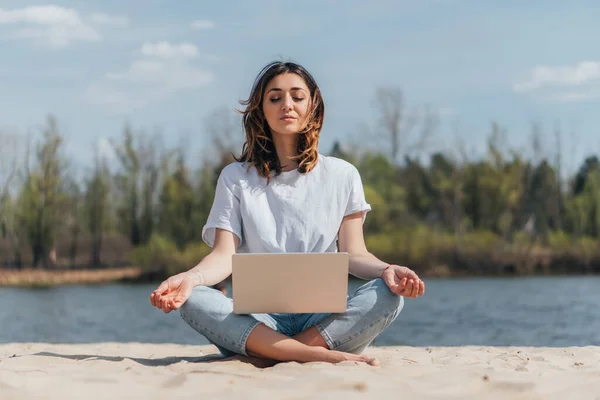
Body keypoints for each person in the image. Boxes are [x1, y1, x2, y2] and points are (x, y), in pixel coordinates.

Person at [149, 61, 425, 366]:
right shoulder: (235, 177)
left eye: (297, 96)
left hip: (323, 318)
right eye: (275, 97)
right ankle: (313, 356)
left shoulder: (343, 175)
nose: (287, 106)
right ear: (261, 109)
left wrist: (387, 269)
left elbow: (354, 253)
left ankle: (276, 351)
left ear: (313, 105)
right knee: (194, 299)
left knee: (388, 294)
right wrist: (190, 278)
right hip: (258, 318)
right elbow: (223, 256)